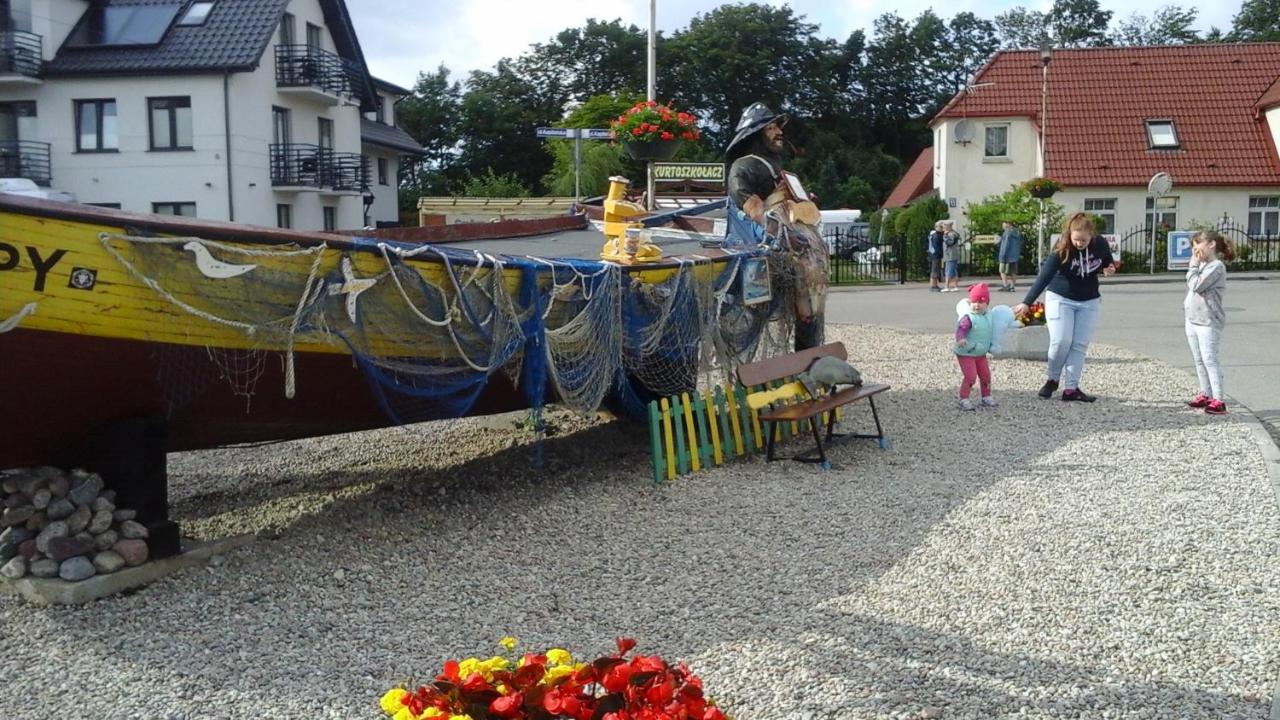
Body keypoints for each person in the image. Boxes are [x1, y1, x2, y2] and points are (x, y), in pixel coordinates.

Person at [724, 102, 828, 350]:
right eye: (771, 128)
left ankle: (809, 356)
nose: (779, 132)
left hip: (798, 244)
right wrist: (781, 236)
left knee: (812, 301)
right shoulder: (743, 166)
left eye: (777, 127)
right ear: (755, 133)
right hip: (769, 251)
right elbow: (753, 209)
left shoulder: (778, 167)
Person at [1013, 212, 1117, 402]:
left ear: (1091, 235)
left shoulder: (1100, 243)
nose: (1079, 243)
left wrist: (1109, 269)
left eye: (1083, 240)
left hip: (1089, 300)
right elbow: (1043, 277)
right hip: (1060, 297)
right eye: (1076, 239)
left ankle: (1071, 388)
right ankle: (1052, 379)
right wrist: (1027, 302)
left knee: (1079, 344)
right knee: (1061, 340)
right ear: (1069, 235)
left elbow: (1107, 262)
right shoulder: (1062, 249)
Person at [1183, 230, 1235, 415]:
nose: (1195, 252)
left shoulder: (1216, 266)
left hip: (1208, 320)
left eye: (1198, 247)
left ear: (1211, 244)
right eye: (1193, 249)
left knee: (1210, 359)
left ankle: (1219, 399)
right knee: (1198, 360)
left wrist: (1193, 265)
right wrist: (1196, 265)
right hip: (1193, 319)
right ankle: (1205, 392)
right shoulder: (1202, 265)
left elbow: (1196, 284)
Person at [954, 282, 997, 411]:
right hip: (966, 352)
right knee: (970, 376)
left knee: (985, 375)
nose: (976, 305)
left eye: (980, 302)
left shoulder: (988, 315)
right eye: (974, 301)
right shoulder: (969, 317)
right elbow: (961, 329)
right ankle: (963, 398)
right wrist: (960, 338)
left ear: (987, 303)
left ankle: (986, 396)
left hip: (980, 352)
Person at [996, 220, 1025, 292]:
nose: (1003, 227)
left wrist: (1002, 255)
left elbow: (1005, 245)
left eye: (1003, 225)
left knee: (1002, 271)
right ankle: (1012, 286)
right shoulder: (1017, 232)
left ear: (1008, 224)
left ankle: (1005, 285)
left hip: (1006, 255)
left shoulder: (1007, 233)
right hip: (1015, 256)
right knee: (1013, 272)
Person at [941, 221, 963, 292]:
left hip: (951, 255)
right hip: (950, 254)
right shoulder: (954, 233)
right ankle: (955, 286)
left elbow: (949, 243)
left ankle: (946, 286)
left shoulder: (951, 234)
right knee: (953, 270)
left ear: (949, 226)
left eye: (945, 227)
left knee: (949, 270)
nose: (943, 228)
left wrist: (945, 236)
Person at [927, 221, 945, 292]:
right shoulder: (936, 235)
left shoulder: (933, 234)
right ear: (936, 227)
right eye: (940, 227)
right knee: (934, 270)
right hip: (935, 254)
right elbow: (937, 245)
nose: (942, 228)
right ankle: (933, 286)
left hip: (934, 253)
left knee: (936, 270)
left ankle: (935, 285)